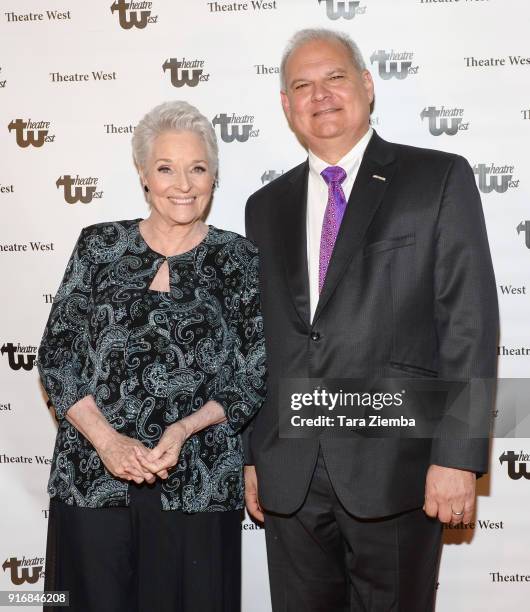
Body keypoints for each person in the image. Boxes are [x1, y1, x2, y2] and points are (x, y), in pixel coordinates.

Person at [243, 28, 498, 611]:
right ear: (286, 105)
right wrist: (255, 457)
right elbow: (265, 343)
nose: (320, 95)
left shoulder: (436, 178)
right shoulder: (265, 208)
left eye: (335, 77)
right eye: (301, 85)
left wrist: (456, 457)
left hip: (397, 468)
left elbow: (468, 324)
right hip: (292, 475)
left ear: (366, 84)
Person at [38, 100, 266, 612]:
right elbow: (57, 356)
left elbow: (252, 376)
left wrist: (184, 429)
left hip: (199, 483)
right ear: (143, 174)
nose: (182, 184)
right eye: (166, 168)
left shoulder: (240, 259)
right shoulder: (99, 246)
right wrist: (106, 440)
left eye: (197, 168)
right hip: (91, 480)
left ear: (214, 176)